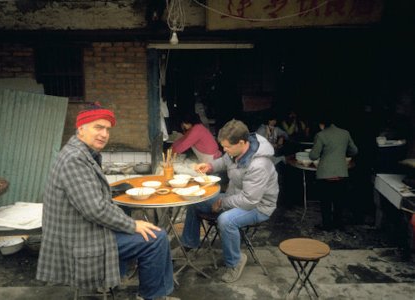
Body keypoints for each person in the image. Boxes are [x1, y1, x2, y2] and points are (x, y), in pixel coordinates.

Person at [36, 103, 177, 300]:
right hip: (80, 241)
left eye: (107, 129)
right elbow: (95, 209)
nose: (104, 134)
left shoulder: (82, 153)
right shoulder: (74, 159)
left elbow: (93, 201)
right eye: (98, 127)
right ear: (81, 129)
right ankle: (150, 296)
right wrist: (132, 224)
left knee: (149, 229)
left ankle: (157, 293)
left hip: (85, 229)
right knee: (157, 238)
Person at [179, 119, 279, 283]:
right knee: (195, 201)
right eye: (223, 146)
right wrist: (209, 166)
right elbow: (223, 161)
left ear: (241, 142)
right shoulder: (235, 151)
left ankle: (235, 262)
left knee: (226, 220)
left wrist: (223, 203)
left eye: (227, 147)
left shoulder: (259, 164)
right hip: (235, 197)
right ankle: (189, 244)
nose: (224, 150)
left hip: (259, 206)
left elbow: (250, 200)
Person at [309, 114, 358, 231]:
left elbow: (313, 156)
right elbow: (354, 151)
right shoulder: (345, 133)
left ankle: (327, 225)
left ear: (322, 124)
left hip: (325, 174)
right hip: (341, 172)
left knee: (325, 201)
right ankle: (338, 223)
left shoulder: (321, 135)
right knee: (339, 200)